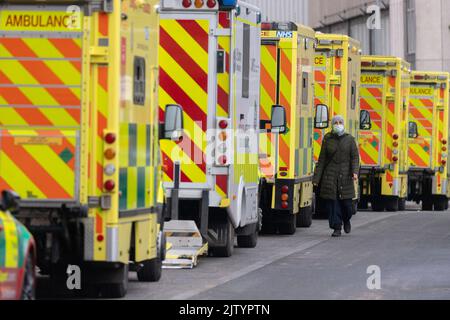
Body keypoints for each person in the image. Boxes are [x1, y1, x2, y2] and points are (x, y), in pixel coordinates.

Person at [313, 115, 360, 237]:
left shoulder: (350, 139)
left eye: (340, 122)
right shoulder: (327, 139)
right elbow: (322, 159)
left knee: (347, 206)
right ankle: (337, 227)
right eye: (336, 122)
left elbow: (355, 157)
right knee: (333, 205)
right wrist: (316, 179)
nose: (338, 124)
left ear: (343, 124)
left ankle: (346, 219)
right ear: (332, 125)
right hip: (331, 176)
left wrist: (355, 172)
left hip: (345, 177)